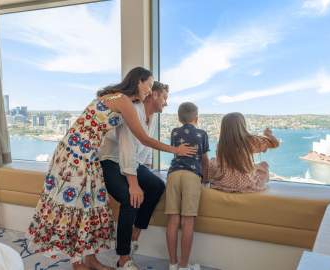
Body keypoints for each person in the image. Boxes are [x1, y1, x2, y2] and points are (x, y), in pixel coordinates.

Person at [26, 67, 195, 270]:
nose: (150, 91)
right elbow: (143, 139)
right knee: (77, 206)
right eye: (148, 86)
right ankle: (78, 262)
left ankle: (91, 259)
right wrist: (176, 149)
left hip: (89, 154)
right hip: (76, 154)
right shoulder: (123, 100)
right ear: (138, 81)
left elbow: (137, 142)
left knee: (92, 204)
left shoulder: (122, 100)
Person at [99, 81, 171, 270]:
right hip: (111, 160)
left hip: (132, 163)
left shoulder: (153, 117)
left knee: (157, 186)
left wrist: (146, 170)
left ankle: (135, 234)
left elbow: (145, 148)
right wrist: (133, 183)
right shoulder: (134, 111)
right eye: (164, 97)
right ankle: (123, 258)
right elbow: (127, 149)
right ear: (154, 95)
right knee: (130, 198)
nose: (166, 102)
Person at [165, 102, 209, 270]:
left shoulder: (175, 132)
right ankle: (184, 266)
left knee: (172, 220)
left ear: (179, 117)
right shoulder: (202, 133)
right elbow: (204, 161)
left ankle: (172, 264)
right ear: (196, 118)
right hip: (191, 176)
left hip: (173, 174)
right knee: (188, 222)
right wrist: (205, 180)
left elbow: (177, 152)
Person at [209, 112, 279, 193]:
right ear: (242, 125)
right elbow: (275, 144)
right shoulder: (250, 141)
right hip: (246, 183)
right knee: (264, 165)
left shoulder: (221, 144)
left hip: (224, 182)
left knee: (213, 161)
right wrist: (268, 135)